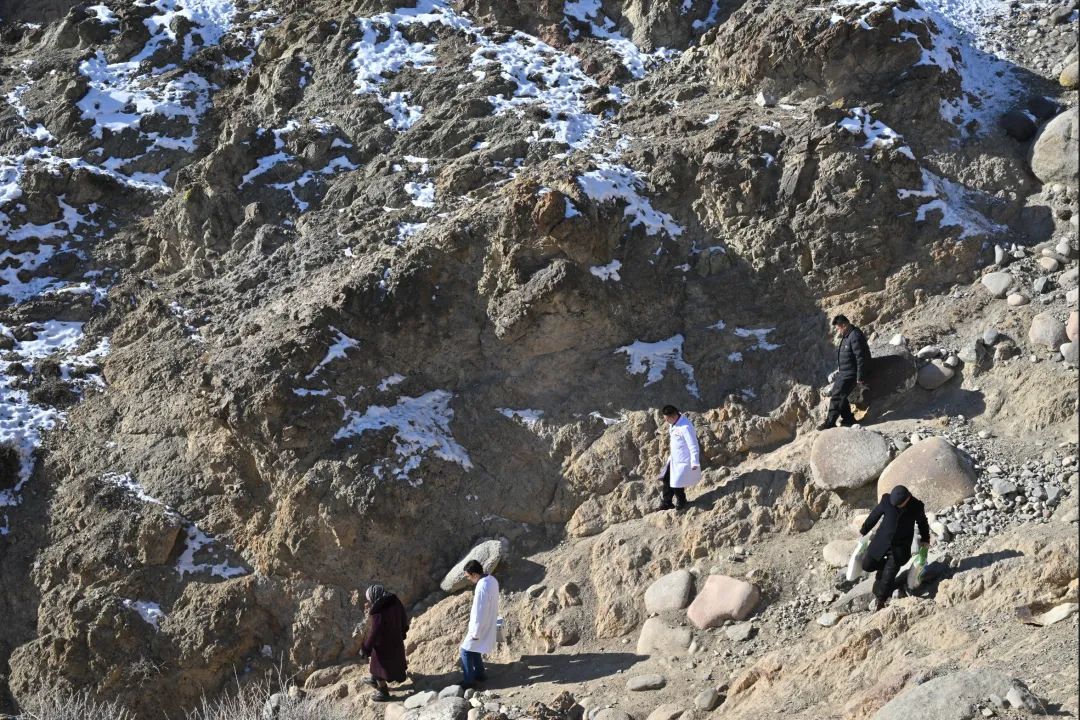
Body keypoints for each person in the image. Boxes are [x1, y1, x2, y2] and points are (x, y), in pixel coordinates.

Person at [859, 485, 930, 611]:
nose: (896, 506)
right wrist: (864, 530)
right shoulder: (886, 500)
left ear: (907, 498)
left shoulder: (916, 506)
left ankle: (880, 602)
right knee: (866, 565)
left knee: (888, 577)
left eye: (898, 504)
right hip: (881, 541)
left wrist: (925, 539)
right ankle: (883, 567)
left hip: (900, 547)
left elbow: (923, 523)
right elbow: (875, 515)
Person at [817, 314, 871, 431]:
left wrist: (860, 376)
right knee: (841, 396)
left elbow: (861, 357)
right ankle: (848, 419)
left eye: (838, 328)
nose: (838, 330)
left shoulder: (855, 336)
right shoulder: (847, 336)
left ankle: (830, 423)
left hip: (851, 374)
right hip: (844, 373)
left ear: (844, 325)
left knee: (837, 397)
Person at [360, 584, 410, 702]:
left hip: (384, 645)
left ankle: (383, 692)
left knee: (379, 668)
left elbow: (375, 632)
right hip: (396, 639)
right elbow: (403, 615)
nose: (370, 602)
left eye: (370, 600)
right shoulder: (394, 600)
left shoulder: (378, 611)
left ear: (374, 597)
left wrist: (366, 648)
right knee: (391, 662)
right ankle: (373, 679)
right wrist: (403, 631)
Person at [460, 559, 499, 689]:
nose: (468, 579)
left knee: (465, 651)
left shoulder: (482, 586)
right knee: (474, 648)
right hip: (489, 621)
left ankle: (469, 681)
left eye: (468, 576)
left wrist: (475, 632)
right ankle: (480, 674)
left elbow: (479, 610)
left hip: (481, 625)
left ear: (475, 574)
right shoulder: (492, 580)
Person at [658, 405, 701, 511]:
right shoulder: (673, 424)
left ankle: (681, 500)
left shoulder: (685, 427)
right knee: (667, 478)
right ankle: (667, 502)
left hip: (684, 460)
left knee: (676, 481)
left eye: (667, 419)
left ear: (673, 416)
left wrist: (694, 461)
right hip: (674, 458)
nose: (666, 421)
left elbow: (693, 445)